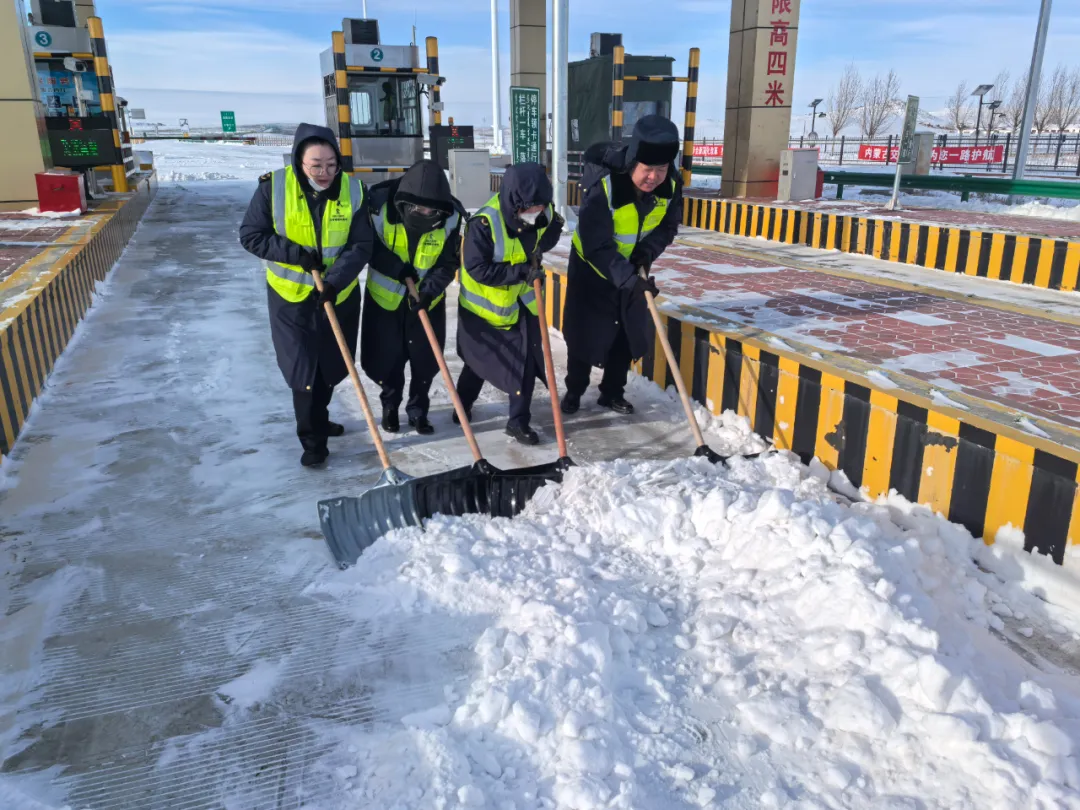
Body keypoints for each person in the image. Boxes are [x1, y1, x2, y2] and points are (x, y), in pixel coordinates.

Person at [239, 123, 374, 467]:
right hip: (291, 299)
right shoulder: (273, 188)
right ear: (300, 161)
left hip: (336, 296)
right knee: (303, 371)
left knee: (330, 364)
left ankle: (320, 419)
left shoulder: (354, 190)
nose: (325, 172)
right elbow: (251, 235)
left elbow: (361, 244)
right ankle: (312, 440)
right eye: (316, 165)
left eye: (331, 164)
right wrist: (294, 254)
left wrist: (336, 282)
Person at [560, 114, 683, 416]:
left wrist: (647, 251)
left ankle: (612, 393)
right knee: (584, 336)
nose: (654, 177)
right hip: (592, 270)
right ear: (632, 164)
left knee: (625, 336)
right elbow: (595, 245)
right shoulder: (605, 190)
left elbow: (668, 226)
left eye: (662, 169)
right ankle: (574, 390)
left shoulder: (671, 186)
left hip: (633, 270)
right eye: (647, 169)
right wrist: (628, 278)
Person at [455, 162, 564, 445]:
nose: (535, 214)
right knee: (478, 363)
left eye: (539, 208)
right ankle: (462, 403)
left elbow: (545, 236)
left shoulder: (543, 212)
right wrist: (520, 272)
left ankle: (518, 421)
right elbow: (477, 268)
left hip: (521, 305)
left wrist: (545, 242)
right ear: (514, 202)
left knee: (524, 363)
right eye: (529, 209)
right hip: (483, 310)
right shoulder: (483, 223)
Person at [360, 159, 465, 435]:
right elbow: (368, 247)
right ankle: (390, 406)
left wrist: (429, 291)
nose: (426, 212)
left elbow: (448, 262)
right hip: (385, 301)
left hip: (426, 300)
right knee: (389, 358)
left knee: (425, 359)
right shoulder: (378, 208)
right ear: (405, 202)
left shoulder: (451, 217)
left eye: (432, 209)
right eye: (419, 208)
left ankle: (419, 411)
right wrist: (396, 268)